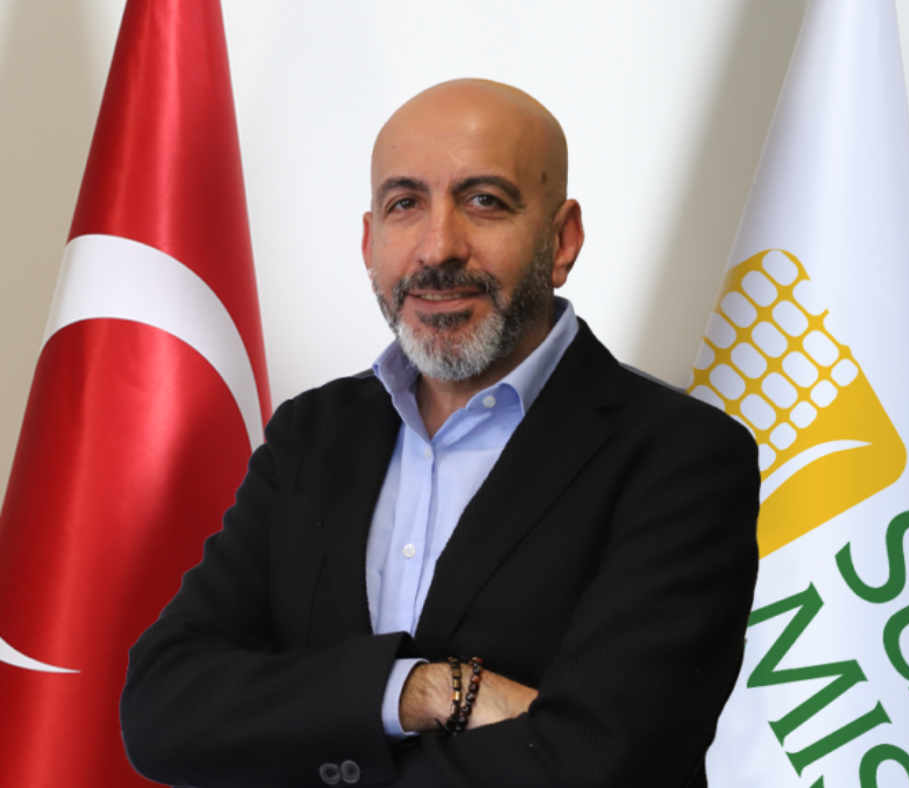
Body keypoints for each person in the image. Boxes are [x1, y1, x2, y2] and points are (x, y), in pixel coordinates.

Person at [121, 79, 760, 788]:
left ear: (561, 239)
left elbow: (602, 766)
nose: (437, 248)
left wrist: (300, 726)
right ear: (370, 242)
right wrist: (423, 690)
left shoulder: (682, 458)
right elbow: (162, 709)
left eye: (484, 201)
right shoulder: (313, 435)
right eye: (405, 204)